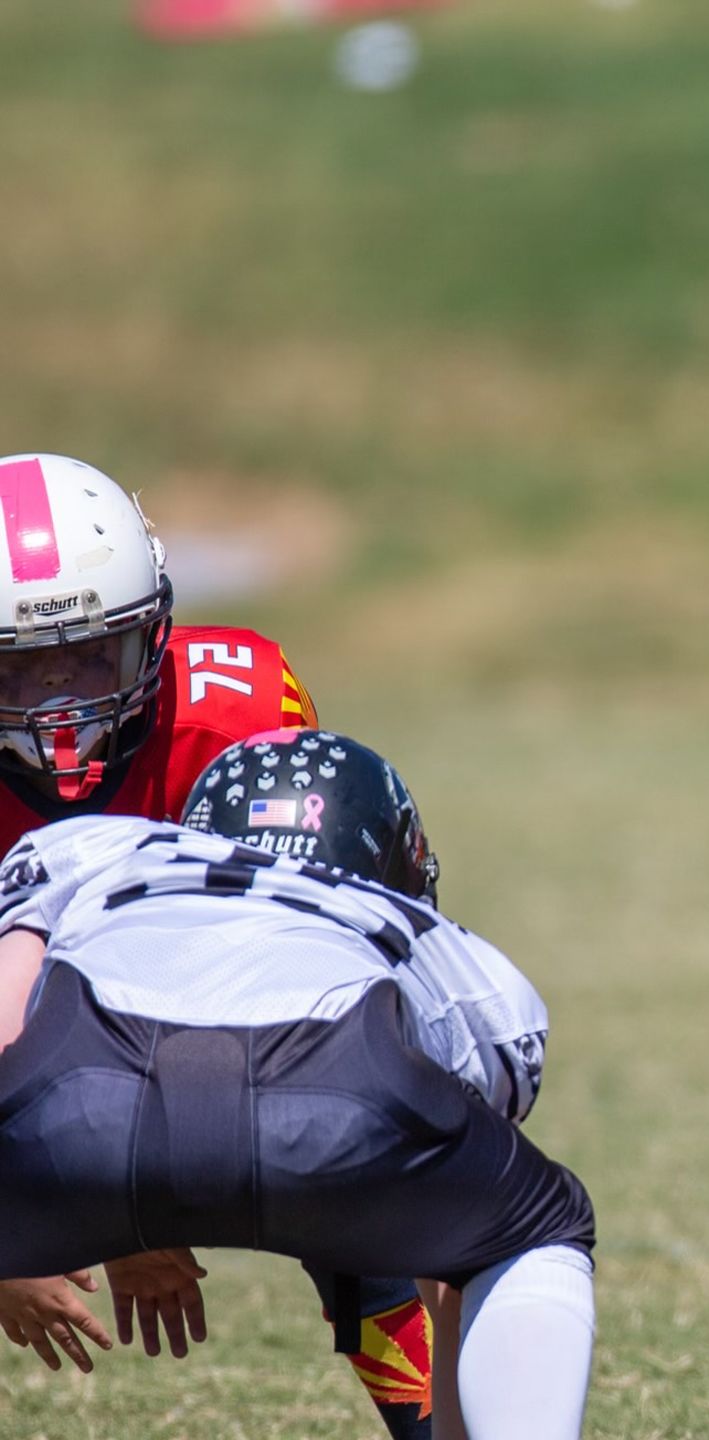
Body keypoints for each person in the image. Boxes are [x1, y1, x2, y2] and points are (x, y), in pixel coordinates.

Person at [0, 452, 442, 1434]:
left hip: (230, 1014)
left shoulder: (234, 713)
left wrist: (140, 1195)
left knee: (380, 1158)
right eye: (21, 664)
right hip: (30, 1053)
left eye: (87, 654)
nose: (58, 696)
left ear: (154, 631)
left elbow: (296, 970)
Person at [0, 731, 595, 1438]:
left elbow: (8, 1024)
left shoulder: (96, 847)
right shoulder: (422, 933)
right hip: (334, 1089)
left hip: (84, 1090)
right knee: (537, 1228)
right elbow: (468, 1213)